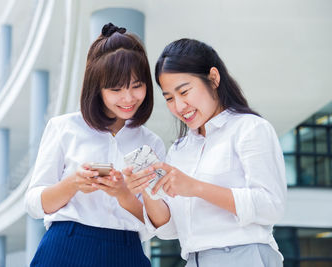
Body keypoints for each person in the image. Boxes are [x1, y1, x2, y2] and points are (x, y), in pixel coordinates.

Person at [123, 38, 287, 267]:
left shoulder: (249, 129)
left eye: (184, 91)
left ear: (213, 78)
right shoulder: (179, 150)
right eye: (169, 98)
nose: (179, 106)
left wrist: (196, 188)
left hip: (244, 256)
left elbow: (271, 205)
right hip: (194, 260)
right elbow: (170, 231)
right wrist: (148, 190)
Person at [25, 23, 165, 267]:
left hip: (127, 249)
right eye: (116, 89)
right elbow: (35, 204)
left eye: (136, 86)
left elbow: (157, 222)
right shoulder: (64, 128)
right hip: (66, 246)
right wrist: (74, 183)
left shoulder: (151, 143)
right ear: (96, 88)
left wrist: (123, 193)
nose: (128, 98)